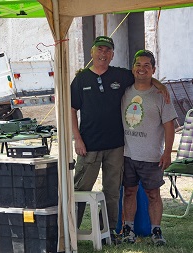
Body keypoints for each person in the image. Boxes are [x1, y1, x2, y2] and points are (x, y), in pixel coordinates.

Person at [70, 36, 168, 243]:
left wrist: (161, 86)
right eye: (99, 50)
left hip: (117, 147)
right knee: (79, 191)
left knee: (112, 193)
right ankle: (70, 231)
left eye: (107, 51)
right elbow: (71, 110)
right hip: (88, 146)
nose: (103, 54)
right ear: (92, 52)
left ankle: (107, 233)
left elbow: (143, 75)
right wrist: (77, 139)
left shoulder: (120, 75)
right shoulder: (81, 79)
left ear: (112, 54)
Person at [121, 50, 176, 246]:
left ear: (153, 69)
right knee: (129, 192)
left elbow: (170, 125)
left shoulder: (161, 95)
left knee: (153, 194)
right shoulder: (125, 92)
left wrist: (167, 152)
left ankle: (156, 231)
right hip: (128, 154)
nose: (141, 69)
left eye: (146, 66)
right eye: (138, 64)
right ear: (132, 68)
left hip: (152, 156)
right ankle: (128, 229)